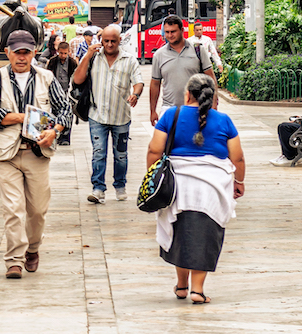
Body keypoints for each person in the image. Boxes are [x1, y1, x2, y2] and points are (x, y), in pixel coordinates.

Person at [0, 29, 71, 279]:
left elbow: (65, 110)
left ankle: (33, 248)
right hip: (6, 153)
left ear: (34, 53)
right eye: (17, 53)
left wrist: (55, 131)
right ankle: (14, 260)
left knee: (38, 210)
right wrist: (22, 117)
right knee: (13, 209)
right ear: (7, 53)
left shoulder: (47, 78)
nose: (21, 57)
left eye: (26, 53)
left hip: (37, 153)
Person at [148, 74, 244, 305]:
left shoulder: (171, 115)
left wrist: (152, 176)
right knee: (204, 237)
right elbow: (237, 158)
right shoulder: (223, 120)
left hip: (178, 188)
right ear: (212, 97)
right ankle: (197, 290)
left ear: (187, 94)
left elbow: (155, 150)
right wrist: (239, 182)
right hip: (213, 190)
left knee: (180, 234)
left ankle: (182, 286)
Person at [72, 24, 143, 202]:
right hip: (97, 115)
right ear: (101, 40)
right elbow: (77, 79)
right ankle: (98, 188)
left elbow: (138, 82)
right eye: (106, 41)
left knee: (120, 155)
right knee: (98, 152)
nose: (109, 44)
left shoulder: (129, 59)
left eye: (113, 41)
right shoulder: (94, 57)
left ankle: (120, 185)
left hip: (121, 116)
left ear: (120, 40)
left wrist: (135, 94)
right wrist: (87, 55)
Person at [150, 15, 217, 125]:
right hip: (169, 109)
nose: (170, 35)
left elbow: (211, 78)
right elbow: (155, 84)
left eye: (173, 31)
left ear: (182, 30)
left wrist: (213, 104)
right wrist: (152, 111)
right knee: (166, 141)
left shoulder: (198, 50)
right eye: (167, 32)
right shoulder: (159, 55)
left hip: (195, 108)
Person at [46, 39, 79, 146]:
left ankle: (66, 137)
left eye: (65, 53)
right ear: (58, 51)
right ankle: (57, 135)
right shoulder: (53, 61)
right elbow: (48, 75)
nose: (63, 55)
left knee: (68, 113)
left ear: (68, 52)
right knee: (56, 113)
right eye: (61, 53)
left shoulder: (72, 63)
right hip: (55, 92)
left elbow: (76, 77)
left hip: (68, 91)